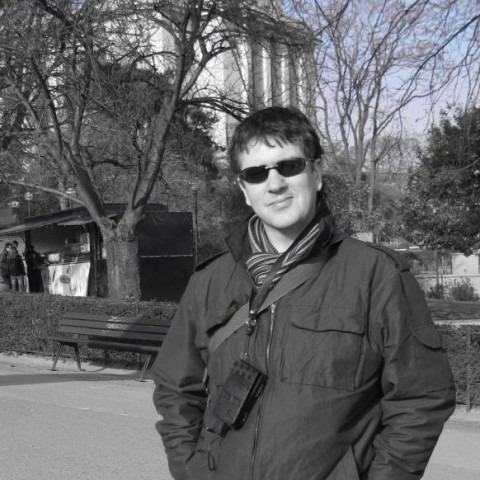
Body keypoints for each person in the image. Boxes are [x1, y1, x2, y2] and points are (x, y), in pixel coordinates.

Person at [152, 107, 455, 480]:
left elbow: (420, 397)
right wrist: (192, 470)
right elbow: (175, 387)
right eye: (256, 173)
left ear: (317, 173)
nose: (275, 184)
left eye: (289, 166)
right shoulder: (210, 280)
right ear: (244, 190)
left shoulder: (377, 274)